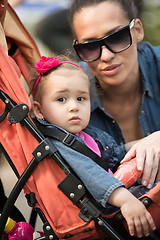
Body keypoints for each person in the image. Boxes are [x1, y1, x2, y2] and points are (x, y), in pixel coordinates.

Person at [29, 55, 156, 238]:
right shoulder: (58, 144)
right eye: (62, 99)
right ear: (39, 110)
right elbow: (91, 173)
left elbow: (110, 155)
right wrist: (126, 201)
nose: (74, 107)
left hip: (119, 190)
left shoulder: (85, 135)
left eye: (81, 98)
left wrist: (139, 146)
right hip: (107, 205)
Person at [69, 0, 160, 190]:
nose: (106, 56)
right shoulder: (67, 98)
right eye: (89, 46)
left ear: (137, 31)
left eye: (116, 37)